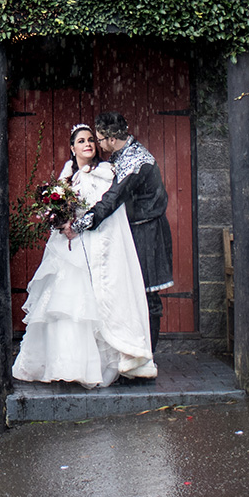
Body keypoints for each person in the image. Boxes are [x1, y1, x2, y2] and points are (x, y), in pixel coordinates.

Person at [10, 123, 157, 386]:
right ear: (72, 147)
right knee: (62, 307)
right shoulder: (67, 177)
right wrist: (60, 219)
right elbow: (61, 208)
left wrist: (78, 224)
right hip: (66, 247)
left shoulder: (105, 172)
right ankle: (62, 363)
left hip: (91, 243)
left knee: (89, 304)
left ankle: (95, 365)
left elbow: (104, 207)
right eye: (81, 140)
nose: (88, 144)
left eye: (91, 140)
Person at [76, 111, 172, 374]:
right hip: (135, 231)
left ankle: (147, 357)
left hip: (148, 232)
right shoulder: (123, 154)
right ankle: (134, 352)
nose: (97, 145)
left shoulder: (135, 162)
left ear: (110, 139)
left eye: (99, 139)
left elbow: (113, 198)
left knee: (148, 295)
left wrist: (83, 222)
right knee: (132, 293)